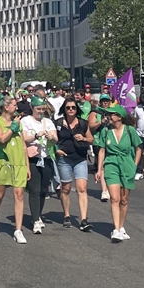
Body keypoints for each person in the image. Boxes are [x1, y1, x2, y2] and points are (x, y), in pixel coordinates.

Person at [0, 96, 30, 244]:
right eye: (14, 105)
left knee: (19, 194)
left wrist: (27, 166)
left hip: (18, 162)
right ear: (6, 107)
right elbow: (1, 139)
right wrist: (13, 128)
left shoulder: (18, 122)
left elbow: (23, 145)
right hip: (3, 161)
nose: (16, 108)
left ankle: (18, 230)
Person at [95, 106, 142, 242]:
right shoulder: (105, 131)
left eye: (111, 114)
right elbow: (102, 151)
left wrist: (134, 165)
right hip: (111, 164)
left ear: (119, 117)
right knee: (114, 198)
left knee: (124, 200)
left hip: (127, 165)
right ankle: (116, 229)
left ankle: (121, 227)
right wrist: (99, 169)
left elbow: (139, 149)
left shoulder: (130, 130)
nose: (109, 116)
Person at [54, 96, 94, 231]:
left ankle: (83, 219)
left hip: (80, 158)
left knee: (82, 188)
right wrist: (56, 150)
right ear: (64, 109)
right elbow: (52, 141)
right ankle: (66, 215)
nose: (71, 110)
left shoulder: (83, 123)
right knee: (65, 188)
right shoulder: (58, 123)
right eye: (68, 108)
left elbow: (91, 139)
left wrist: (83, 138)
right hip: (64, 159)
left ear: (77, 109)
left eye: (73, 107)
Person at [21, 97, 58, 234]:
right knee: (34, 190)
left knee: (43, 189)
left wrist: (51, 137)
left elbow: (55, 138)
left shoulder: (47, 122)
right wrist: (36, 136)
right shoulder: (26, 121)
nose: (41, 112)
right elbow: (24, 138)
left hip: (46, 158)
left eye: (43, 109)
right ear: (32, 108)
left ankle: (38, 214)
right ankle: (35, 219)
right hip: (33, 158)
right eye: (38, 109)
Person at [89, 94, 113, 201]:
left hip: (111, 142)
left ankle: (110, 188)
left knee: (111, 165)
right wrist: (101, 122)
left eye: (107, 101)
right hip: (99, 142)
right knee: (102, 165)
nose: (105, 103)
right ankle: (104, 190)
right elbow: (91, 126)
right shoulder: (95, 112)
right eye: (103, 101)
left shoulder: (113, 112)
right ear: (100, 102)